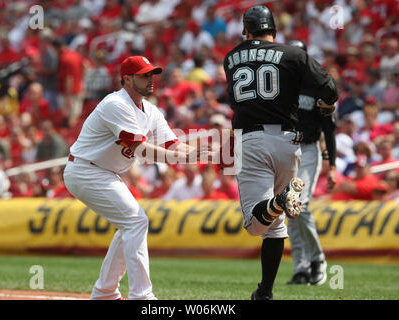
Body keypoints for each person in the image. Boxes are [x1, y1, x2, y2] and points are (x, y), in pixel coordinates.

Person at [63, 56, 212, 300]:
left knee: (130, 224)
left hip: (104, 172)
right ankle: (141, 297)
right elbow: (141, 149)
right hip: (85, 170)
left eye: (151, 74)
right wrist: (187, 158)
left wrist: (205, 154)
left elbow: (173, 145)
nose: (150, 79)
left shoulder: (151, 110)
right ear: (127, 79)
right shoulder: (116, 104)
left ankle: (105, 293)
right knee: (135, 221)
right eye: (144, 75)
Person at [223, 6, 338, 300]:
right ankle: (265, 291)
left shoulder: (231, 58)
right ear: (273, 28)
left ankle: (280, 200)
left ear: (246, 31)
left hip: (251, 139)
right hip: (291, 143)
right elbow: (330, 88)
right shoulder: (294, 54)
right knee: (275, 227)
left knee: (254, 224)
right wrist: (327, 105)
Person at [285, 40, 337, 286]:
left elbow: (329, 128)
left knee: (300, 205)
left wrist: (333, 166)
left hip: (308, 150)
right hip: (285, 150)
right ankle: (300, 268)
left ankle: (317, 259)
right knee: (289, 210)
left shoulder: (318, 87)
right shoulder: (279, 88)